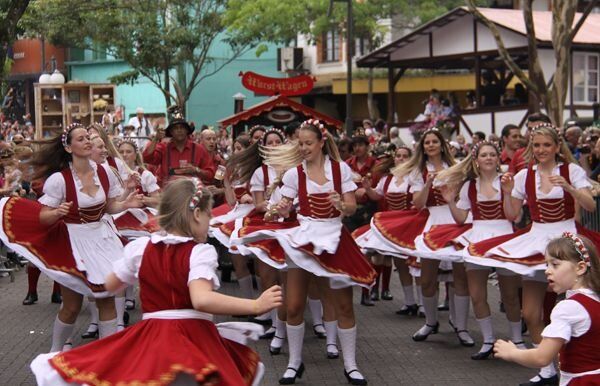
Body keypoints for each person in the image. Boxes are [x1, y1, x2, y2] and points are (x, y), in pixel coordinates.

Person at [30, 179, 283, 386]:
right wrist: (255, 306)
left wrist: (99, 260)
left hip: (150, 340)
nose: (210, 221)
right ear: (196, 214)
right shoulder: (200, 252)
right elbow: (202, 299)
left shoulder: (140, 249)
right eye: (208, 215)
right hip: (191, 341)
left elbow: (110, 283)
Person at [235, 119, 376, 385]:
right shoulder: (293, 174)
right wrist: (280, 209)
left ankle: (351, 365)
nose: (303, 148)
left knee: (343, 304)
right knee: (294, 304)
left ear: (322, 143)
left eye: (308, 143)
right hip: (304, 237)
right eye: (300, 143)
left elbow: (351, 207)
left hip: (334, 236)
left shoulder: (339, 170)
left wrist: (341, 205)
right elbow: (285, 206)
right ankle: (294, 362)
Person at [464, 123, 600, 386]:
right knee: (530, 312)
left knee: (585, 301)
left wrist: (570, 188)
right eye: (536, 145)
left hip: (568, 240)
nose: (541, 150)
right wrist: (506, 192)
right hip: (536, 240)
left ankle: (583, 362)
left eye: (546, 145)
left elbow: (591, 205)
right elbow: (512, 215)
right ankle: (547, 369)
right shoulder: (524, 175)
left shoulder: (570, 170)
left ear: (557, 147)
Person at [0, 123, 143, 352]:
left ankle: (105, 357)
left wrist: (125, 203)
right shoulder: (59, 180)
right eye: (81, 139)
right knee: (72, 306)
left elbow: (108, 206)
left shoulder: (104, 172)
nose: (87, 141)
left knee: (106, 298)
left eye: (88, 137)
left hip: (103, 240)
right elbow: (42, 217)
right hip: (74, 243)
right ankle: (55, 352)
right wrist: (56, 213)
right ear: (68, 148)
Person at [420, 142, 524, 359]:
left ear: (498, 158)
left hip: (504, 237)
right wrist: (450, 202)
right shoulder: (469, 186)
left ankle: (518, 341)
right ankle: (487, 341)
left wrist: (506, 193)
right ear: (476, 160)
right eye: (484, 155)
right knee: (477, 295)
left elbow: (513, 216)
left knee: (510, 296)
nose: (488, 158)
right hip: (477, 237)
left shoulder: (508, 181)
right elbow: (461, 218)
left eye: (492, 155)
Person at [494, 233, 600, 386]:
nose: (547, 271)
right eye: (547, 265)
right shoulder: (595, 298)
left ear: (580, 268)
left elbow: (541, 357)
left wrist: (512, 353)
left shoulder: (568, 308)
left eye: (555, 265)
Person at [356, 146, 420, 313]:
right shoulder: (387, 179)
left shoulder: (414, 177)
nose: (401, 159)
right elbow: (378, 195)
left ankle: (422, 304)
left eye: (405, 156)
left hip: (410, 223)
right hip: (392, 224)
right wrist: (368, 188)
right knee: (399, 262)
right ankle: (409, 302)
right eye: (398, 156)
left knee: (416, 264)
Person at [143, 106, 215, 187]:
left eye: (182, 127)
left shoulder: (199, 149)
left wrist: (196, 170)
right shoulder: (164, 147)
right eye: (176, 128)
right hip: (169, 194)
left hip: (192, 195)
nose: (179, 130)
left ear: (187, 130)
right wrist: (156, 139)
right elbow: (147, 158)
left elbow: (211, 174)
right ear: (171, 132)